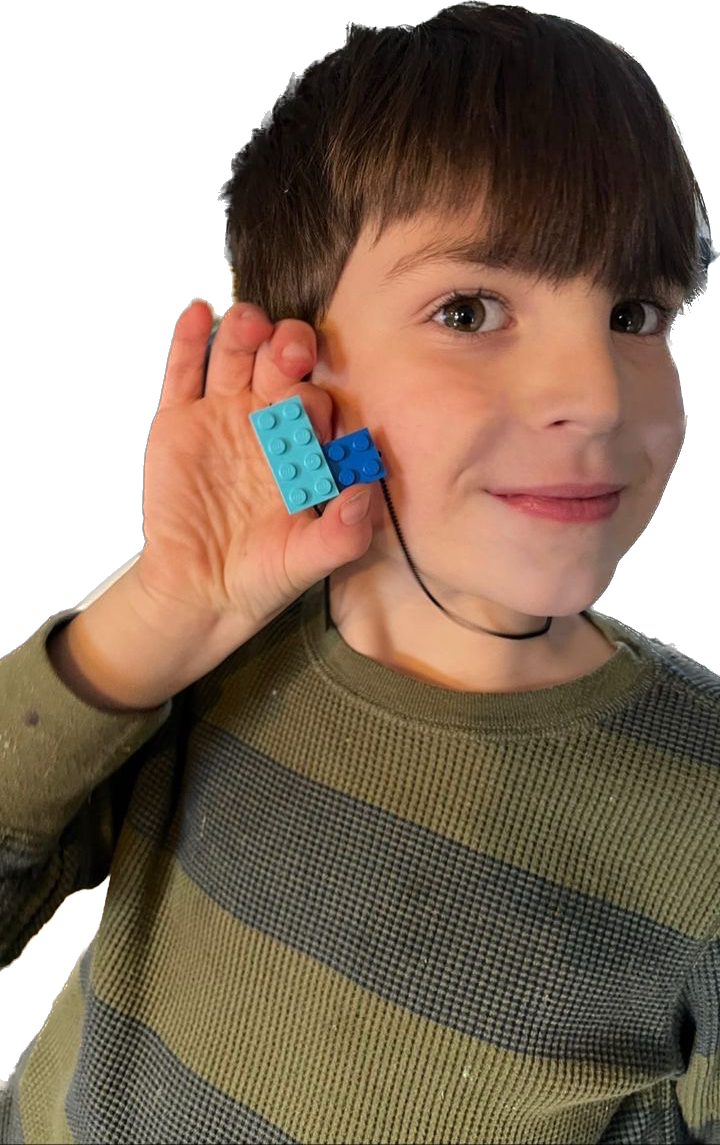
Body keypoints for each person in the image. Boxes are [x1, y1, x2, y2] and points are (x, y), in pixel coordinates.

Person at [2, 5, 718, 1143]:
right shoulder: (216, 645)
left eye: (637, 312)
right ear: (294, 374)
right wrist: (161, 608)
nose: (596, 389)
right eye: (470, 309)